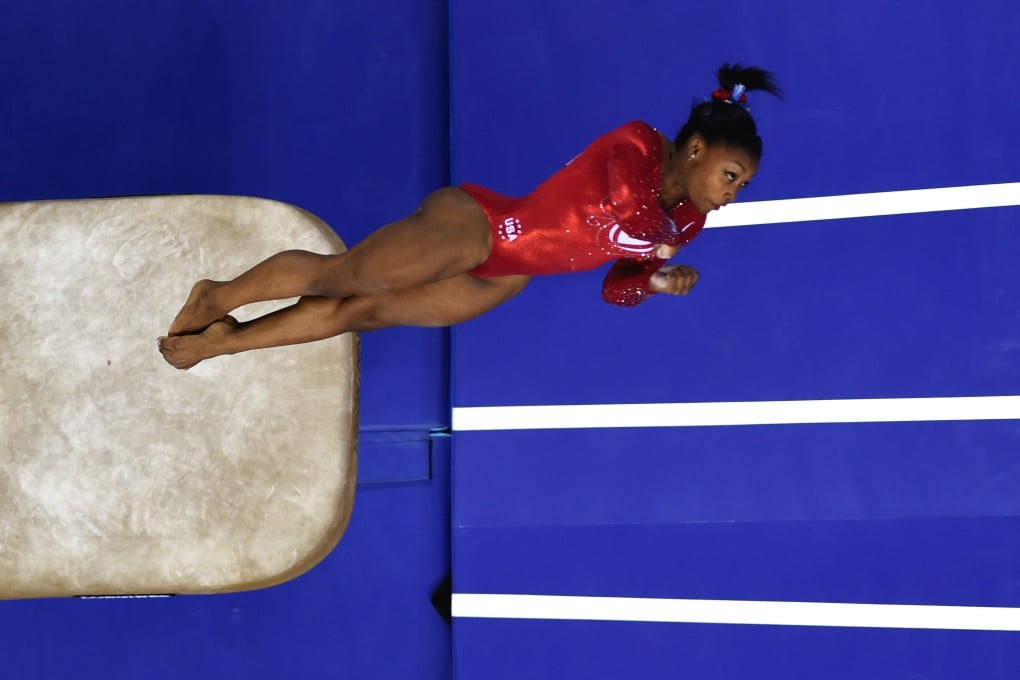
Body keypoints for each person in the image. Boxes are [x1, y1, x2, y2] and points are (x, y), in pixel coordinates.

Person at [159, 63, 780, 370]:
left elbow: (615, 288)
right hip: (479, 226)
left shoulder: (685, 223)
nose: (732, 194)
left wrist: (655, 282)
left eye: (743, 186)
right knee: (342, 278)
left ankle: (224, 343)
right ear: (695, 150)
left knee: (358, 314)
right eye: (730, 175)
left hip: (503, 274)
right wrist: (658, 248)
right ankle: (218, 295)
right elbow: (622, 208)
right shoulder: (640, 144)